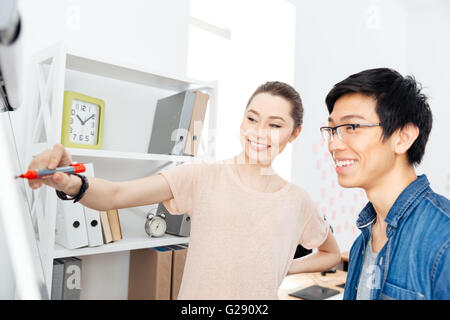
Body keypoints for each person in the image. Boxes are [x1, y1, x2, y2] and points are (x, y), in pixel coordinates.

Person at [28, 81, 341, 300]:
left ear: (294, 133)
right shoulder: (202, 176)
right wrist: (73, 183)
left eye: (275, 125)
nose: (260, 132)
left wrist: (285, 266)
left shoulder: (297, 201)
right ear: (242, 122)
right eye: (252, 119)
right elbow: (117, 195)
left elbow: (329, 253)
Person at [321, 68, 449, 300]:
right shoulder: (362, 243)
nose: (334, 145)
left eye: (352, 128)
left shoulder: (444, 239)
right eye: (332, 130)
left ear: (403, 137)